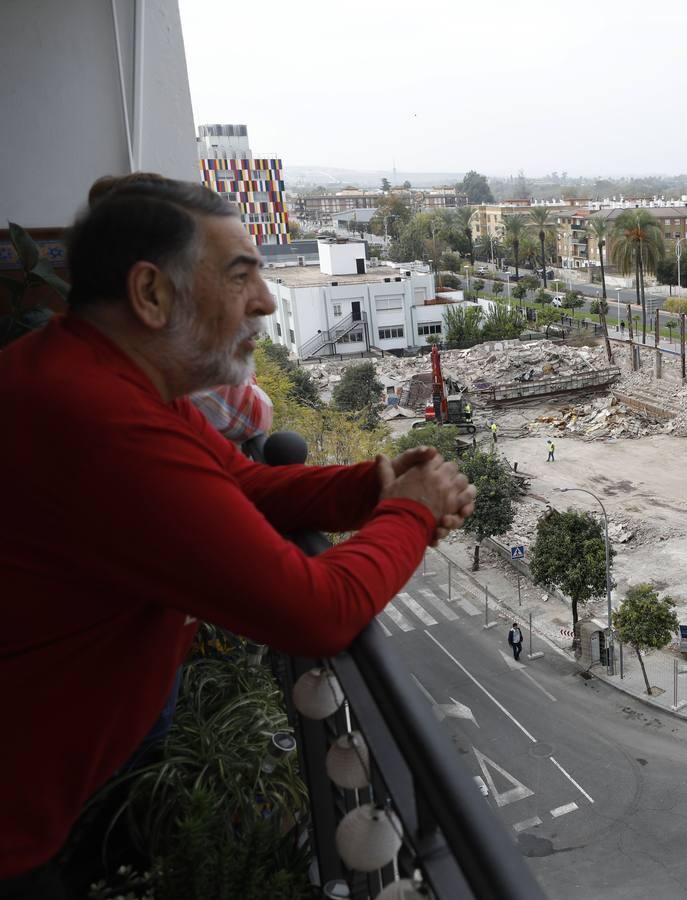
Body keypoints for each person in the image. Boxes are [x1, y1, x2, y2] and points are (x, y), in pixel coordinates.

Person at [0, 176, 477, 893]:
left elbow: (243, 485)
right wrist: (409, 512)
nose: (265, 300)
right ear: (152, 294)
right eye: (241, 275)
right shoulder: (99, 420)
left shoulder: (122, 385)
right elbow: (317, 613)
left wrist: (369, 487)